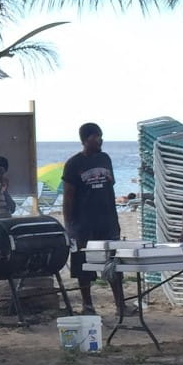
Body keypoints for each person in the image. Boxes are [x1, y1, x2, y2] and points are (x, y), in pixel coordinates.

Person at [62, 122, 125, 316]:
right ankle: (88, 305)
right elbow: (68, 197)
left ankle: (120, 305)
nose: (100, 140)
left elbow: (110, 186)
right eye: (96, 137)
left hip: (107, 220)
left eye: (101, 136)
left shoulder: (105, 159)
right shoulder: (73, 164)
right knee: (83, 264)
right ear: (85, 139)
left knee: (113, 263)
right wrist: (69, 225)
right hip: (83, 224)